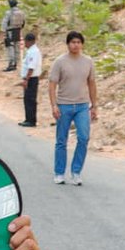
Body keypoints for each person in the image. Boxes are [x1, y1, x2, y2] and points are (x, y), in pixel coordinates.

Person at [48, 30, 98, 186]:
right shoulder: (60, 62)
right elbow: (52, 84)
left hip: (83, 106)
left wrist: (94, 105)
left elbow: (92, 83)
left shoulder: (88, 61)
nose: (75, 45)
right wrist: (54, 105)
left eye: (78, 42)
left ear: (82, 44)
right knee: (61, 140)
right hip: (64, 105)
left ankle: (76, 172)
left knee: (83, 138)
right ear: (68, 44)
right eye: (72, 42)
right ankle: (59, 172)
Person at [19, 31, 41, 127]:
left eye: (26, 42)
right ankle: (28, 118)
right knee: (27, 99)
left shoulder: (33, 52)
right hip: (30, 78)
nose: (25, 44)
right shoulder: (31, 51)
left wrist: (26, 79)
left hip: (31, 79)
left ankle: (31, 120)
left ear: (30, 42)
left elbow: (31, 67)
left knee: (30, 99)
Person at [0, 0, 26, 72]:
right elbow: (23, 22)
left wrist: (3, 31)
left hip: (10, 31)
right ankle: (15, 63)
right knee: (16, 47)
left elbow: (4, 23)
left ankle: (11, 64)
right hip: (18, 31)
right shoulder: (21, 12)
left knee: (10, 47)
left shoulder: (8, 13)